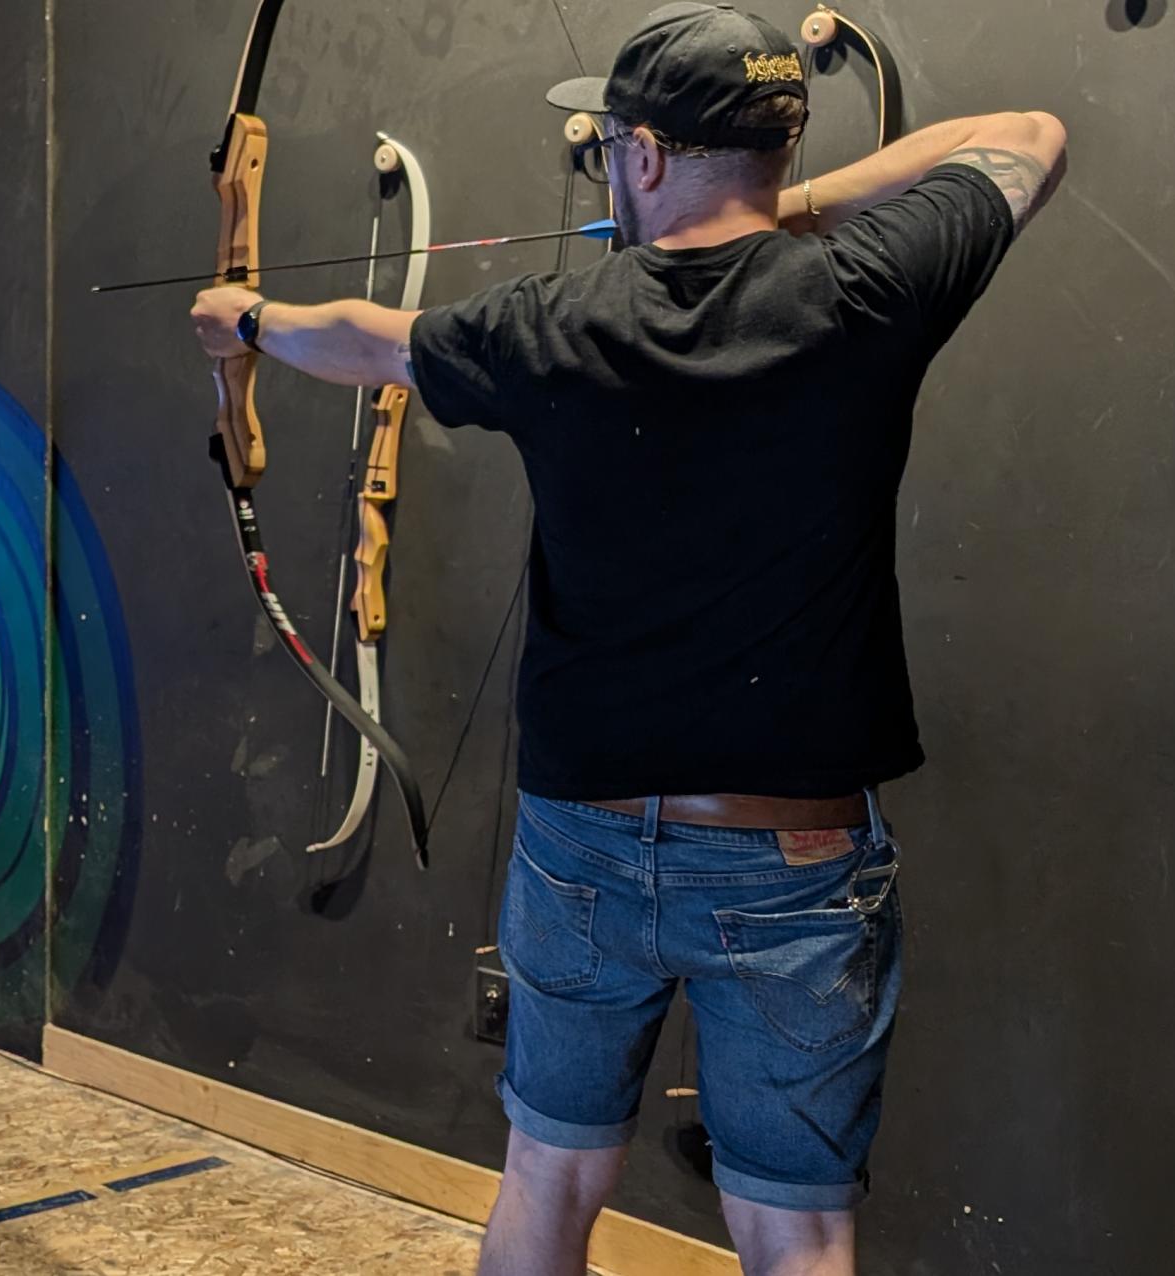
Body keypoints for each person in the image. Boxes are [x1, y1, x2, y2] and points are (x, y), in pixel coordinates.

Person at [187, 4, 1063, 1274]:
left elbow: (364, 341)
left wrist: (246, 322)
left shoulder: (551, 323)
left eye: (611, 146)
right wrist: (790, 207)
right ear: (776, 142)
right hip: (795, 854)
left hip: (582, 847)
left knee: (548, 1179)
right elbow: (1027, 134)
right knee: (800, 1231)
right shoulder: (873, 286)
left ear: (643, 156)